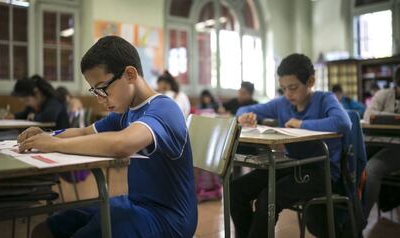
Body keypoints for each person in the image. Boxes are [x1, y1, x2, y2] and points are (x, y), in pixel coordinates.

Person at [18, 36, 197, 238]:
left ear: (130, 74)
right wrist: (48, 136)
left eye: (102, 88)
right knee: (47, 228)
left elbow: (122, 144)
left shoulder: (165, 108)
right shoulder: (125, 113)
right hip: (136, 204)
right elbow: (84, 132)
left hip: (170, 219)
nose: (99, 98)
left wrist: (52, 145)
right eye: (95, 91)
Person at [230, 53, 351, 238]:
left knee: (268, 197)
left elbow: (343, 123)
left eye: (293, 87)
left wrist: (302, 124)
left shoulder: (325, 99)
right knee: (235, 190)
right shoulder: (282, 103)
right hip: (289, 164)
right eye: (283, 88)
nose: (288, 94)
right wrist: (243, 116)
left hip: (320, 170)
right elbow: (244, 108)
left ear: (310, 81)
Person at [363, 66, 400, 221]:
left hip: (396, 149)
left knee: (373, 168)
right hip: (379, 144)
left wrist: (383, 117)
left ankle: (358, 222)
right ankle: (351, 218)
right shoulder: (384, 94)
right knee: (356, 164)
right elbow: (368, 115)